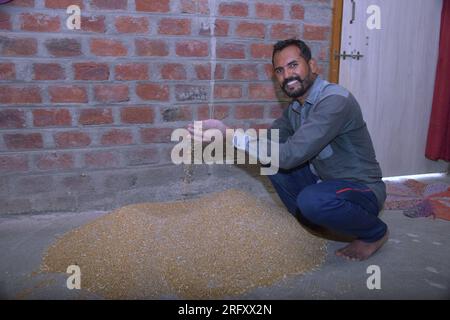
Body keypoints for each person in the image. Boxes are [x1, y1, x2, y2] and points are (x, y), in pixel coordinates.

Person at [187, 39, 388, 261]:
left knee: (312, 200)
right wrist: (223, 133)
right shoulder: (295, 108)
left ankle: (374, 233)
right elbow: (269, 142)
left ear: (312, 66)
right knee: (269, 159)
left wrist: (229, 133)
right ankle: (313, 221)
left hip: (362, 190)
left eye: (293, 65)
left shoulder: (334, 101)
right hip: (329, 185)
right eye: (280, 70)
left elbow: (290, 155)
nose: (287, 75)